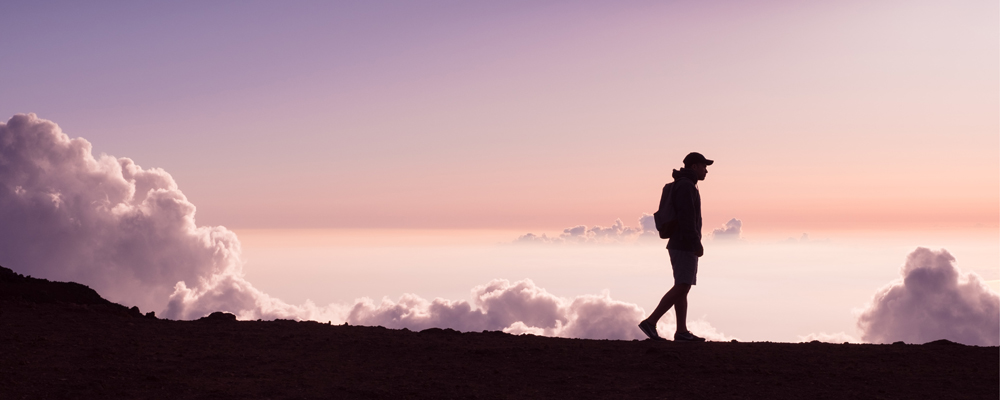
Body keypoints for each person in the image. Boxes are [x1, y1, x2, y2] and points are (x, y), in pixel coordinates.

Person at [638, 152, 712, 342]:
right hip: (684, 243)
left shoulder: (685, 185)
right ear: (694, 166)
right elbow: (687, 218)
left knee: (683, 286)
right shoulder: (687, 186)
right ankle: (651, 322)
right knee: (683, 285)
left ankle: (681, 331)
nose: (706, 171)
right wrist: (696, 243)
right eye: (704, 166)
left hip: (679, 243)